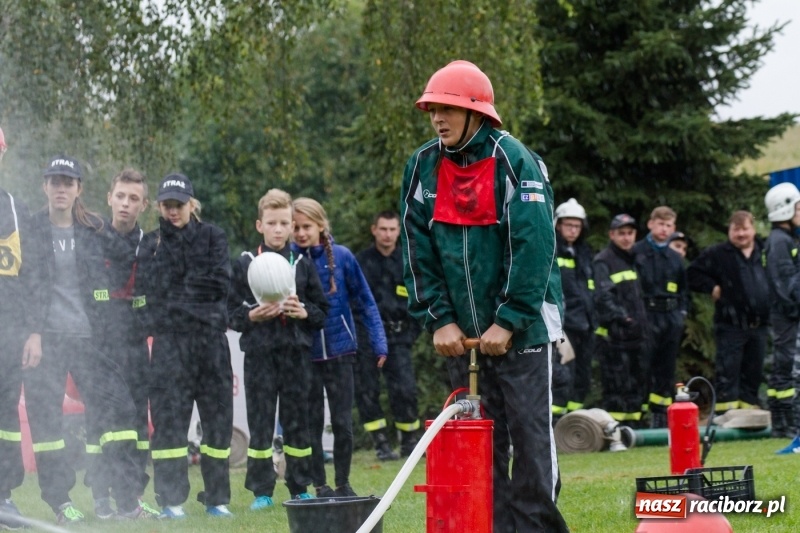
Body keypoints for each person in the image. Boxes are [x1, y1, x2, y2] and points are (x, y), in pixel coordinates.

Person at [401, 60, 569, 532]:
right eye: (433, 108)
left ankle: (536, 528)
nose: (438, 118)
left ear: (478, 113)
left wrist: (510, 319)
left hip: (525, 326)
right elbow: (417, 252)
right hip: (461, 334)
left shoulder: (516, 160)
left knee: (531, 440)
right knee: (478, 440)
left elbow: (534, 249)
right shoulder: (421, 167)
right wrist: (439, 319)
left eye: (448, 109)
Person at [25, 155, 152, 524]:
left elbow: (134, 258)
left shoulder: (94, 229)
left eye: (68, 182)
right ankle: (60, 502)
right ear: (44, 186)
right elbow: (25, 286)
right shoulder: (31, 228)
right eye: (54, 181)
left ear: (79, 189)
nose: (60, 188)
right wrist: (31, 332)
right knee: (48, 425)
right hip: (46, 341)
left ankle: (125, 499)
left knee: (120, 413)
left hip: (90, 341)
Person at [136, 173, 234, 518]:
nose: (173, 211)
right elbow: (149, 294)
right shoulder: (150, 244)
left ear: (192, 203)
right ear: (159, 206)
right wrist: (191, 298)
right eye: (167, 205)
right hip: (169, 348)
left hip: (210, 345)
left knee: (218, 423)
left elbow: (220, 286)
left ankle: (217, 499)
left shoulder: (213, 237)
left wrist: (176, 297)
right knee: (168, 425)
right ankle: (171, 501)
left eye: (179, 204)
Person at [227, 189, 329, 509]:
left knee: (297, 421)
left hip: (295, 354)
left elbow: (321, 312)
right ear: (260, 225)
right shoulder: (245, 263)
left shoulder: (301, 263)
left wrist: (304, 312)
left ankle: (299, 486)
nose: (278, 229)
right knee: (260, 422)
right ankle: (262, 491)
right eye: (271, 222)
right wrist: (250, 315)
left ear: (291, 225)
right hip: (259, 354)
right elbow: (229, 312)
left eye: (284, 223)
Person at [291, 197, 387, 499]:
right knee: (312, 424)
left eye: (306, 226)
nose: (301, 233)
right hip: (305, 353)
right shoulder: (288, 259)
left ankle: (343, 481)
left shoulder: (343, 257)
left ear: (321, 225)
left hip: (341, 350)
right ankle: (320, 484)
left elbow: (365, 301)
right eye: (295, 227)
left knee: (344, 422)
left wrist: (378, 341)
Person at [81, 169, 158, 519]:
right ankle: (109, 499)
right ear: (110, 197)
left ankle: (131, 497)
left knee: (138, 427)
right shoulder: (92, 237)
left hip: (136, 345)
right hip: (98, 346)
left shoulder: (152, 244)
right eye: (120, 196)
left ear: (143, 205)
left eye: (133, 199)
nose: (126, 204)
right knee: (108, 422)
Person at [687, 211, 770, 418]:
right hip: (731, 325)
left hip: (759, 325)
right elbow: (692, 274)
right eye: (736, 230)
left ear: (753, 229)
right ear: (729, 230)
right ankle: (726, 417)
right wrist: (712, 287)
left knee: (753, 373)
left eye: (745, 229)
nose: (741, 234)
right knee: (728, 373)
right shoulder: (718, 254)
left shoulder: (765, 250)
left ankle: (750, 417)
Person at [354, 210, 422, 460]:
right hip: (368, 337)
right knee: (367, 390)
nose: (388, 234)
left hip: (399, 336)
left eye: (393, 229)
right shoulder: (361, 262)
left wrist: (412, 333)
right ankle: (381, 442)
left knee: (405, 389)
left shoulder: (406, 262)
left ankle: (409, 442)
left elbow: (418, 300)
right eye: (383, 229)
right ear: (374, 229)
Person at [0, 127, 34, 530]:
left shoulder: (14, 209)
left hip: (8, 336)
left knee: (4, 417)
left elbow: (34, 280)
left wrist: (34, 331)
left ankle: (3, 494)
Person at [632, 206, 688, 428]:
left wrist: (681, 314)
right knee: (642, 366)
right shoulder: (637, 252)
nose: (664, 229)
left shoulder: (674, 257)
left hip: (670, 317)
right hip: (647, 315)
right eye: (660, 224)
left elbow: (684, 290)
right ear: (650, 224)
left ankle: (660, 415)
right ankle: (640, 414)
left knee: (666, 369)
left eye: (669, 226)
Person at [593, 214, 649, 427]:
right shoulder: (604, 260)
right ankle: (616, 430)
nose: (626, 238)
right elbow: (602, 296)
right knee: (618, 385)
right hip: (617, 337)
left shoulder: (636, 258)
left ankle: (636, 426)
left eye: (630, 233)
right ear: (612, 235)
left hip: (639, 335)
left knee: (638, 382)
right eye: (621, 233)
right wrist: (623, 318)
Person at [763, 183, 800, 439]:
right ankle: (787, 423)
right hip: (787, 315)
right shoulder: (780, 241)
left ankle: (783, 423)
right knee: (786, 367)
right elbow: (786, 283)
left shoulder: (785, 239)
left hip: (786, 313)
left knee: (784, 366)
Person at [552, 198, 595, 417]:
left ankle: (574, 426)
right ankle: (555, 425)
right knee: (562, 378)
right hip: (564, 327)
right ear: (558, 225)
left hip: (584, 326)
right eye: (568, 225)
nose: (573, 230)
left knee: (582, 379)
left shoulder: (584, 253)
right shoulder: (552, 251)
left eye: (577, 226)